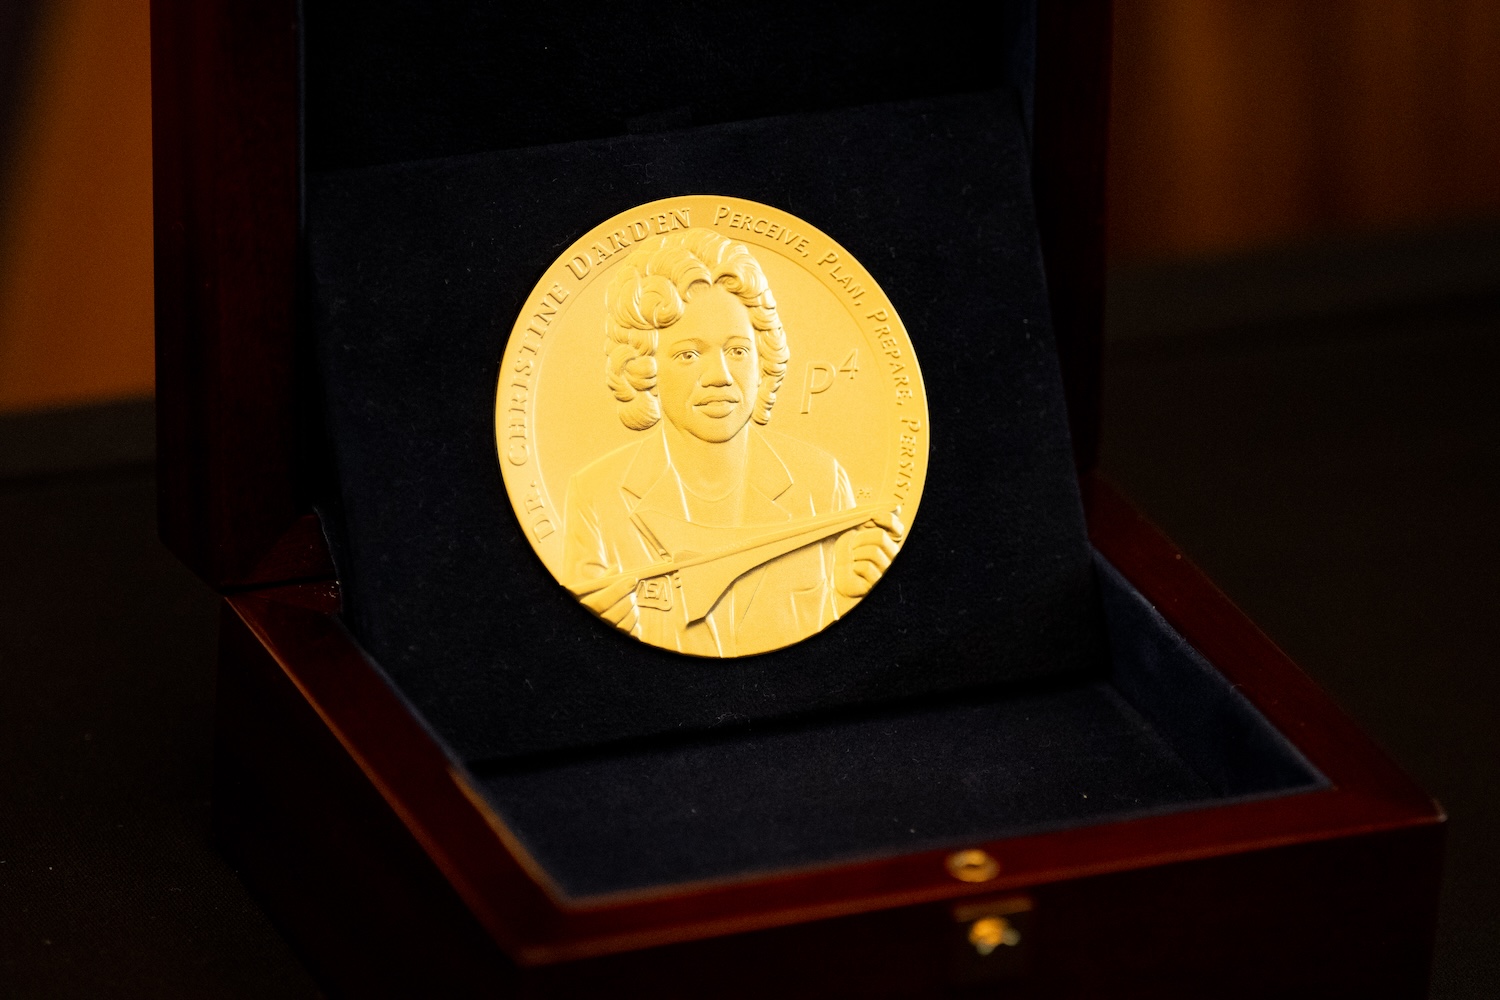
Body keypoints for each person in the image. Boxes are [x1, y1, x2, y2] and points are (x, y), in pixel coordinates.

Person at [561, 228, 901, 657]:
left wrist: (849, 595)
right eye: (689, 355)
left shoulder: (821, 481)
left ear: (763, 361)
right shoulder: (596, 497)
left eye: (738, 351)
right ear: (645, 369)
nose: (720, 376)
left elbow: (833, 638)